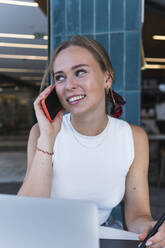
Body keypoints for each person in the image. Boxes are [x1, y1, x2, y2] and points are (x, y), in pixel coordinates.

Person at [18, 35, 165, 247]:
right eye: (60, 77)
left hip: (102, 236)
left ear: (107, 78)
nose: (69, 85)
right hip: (49, 237)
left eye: (80, 72)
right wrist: (48, 139)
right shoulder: (41, 133)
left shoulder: (134, 138)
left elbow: (137, 217)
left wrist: (151, 230)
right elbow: (26, 215)